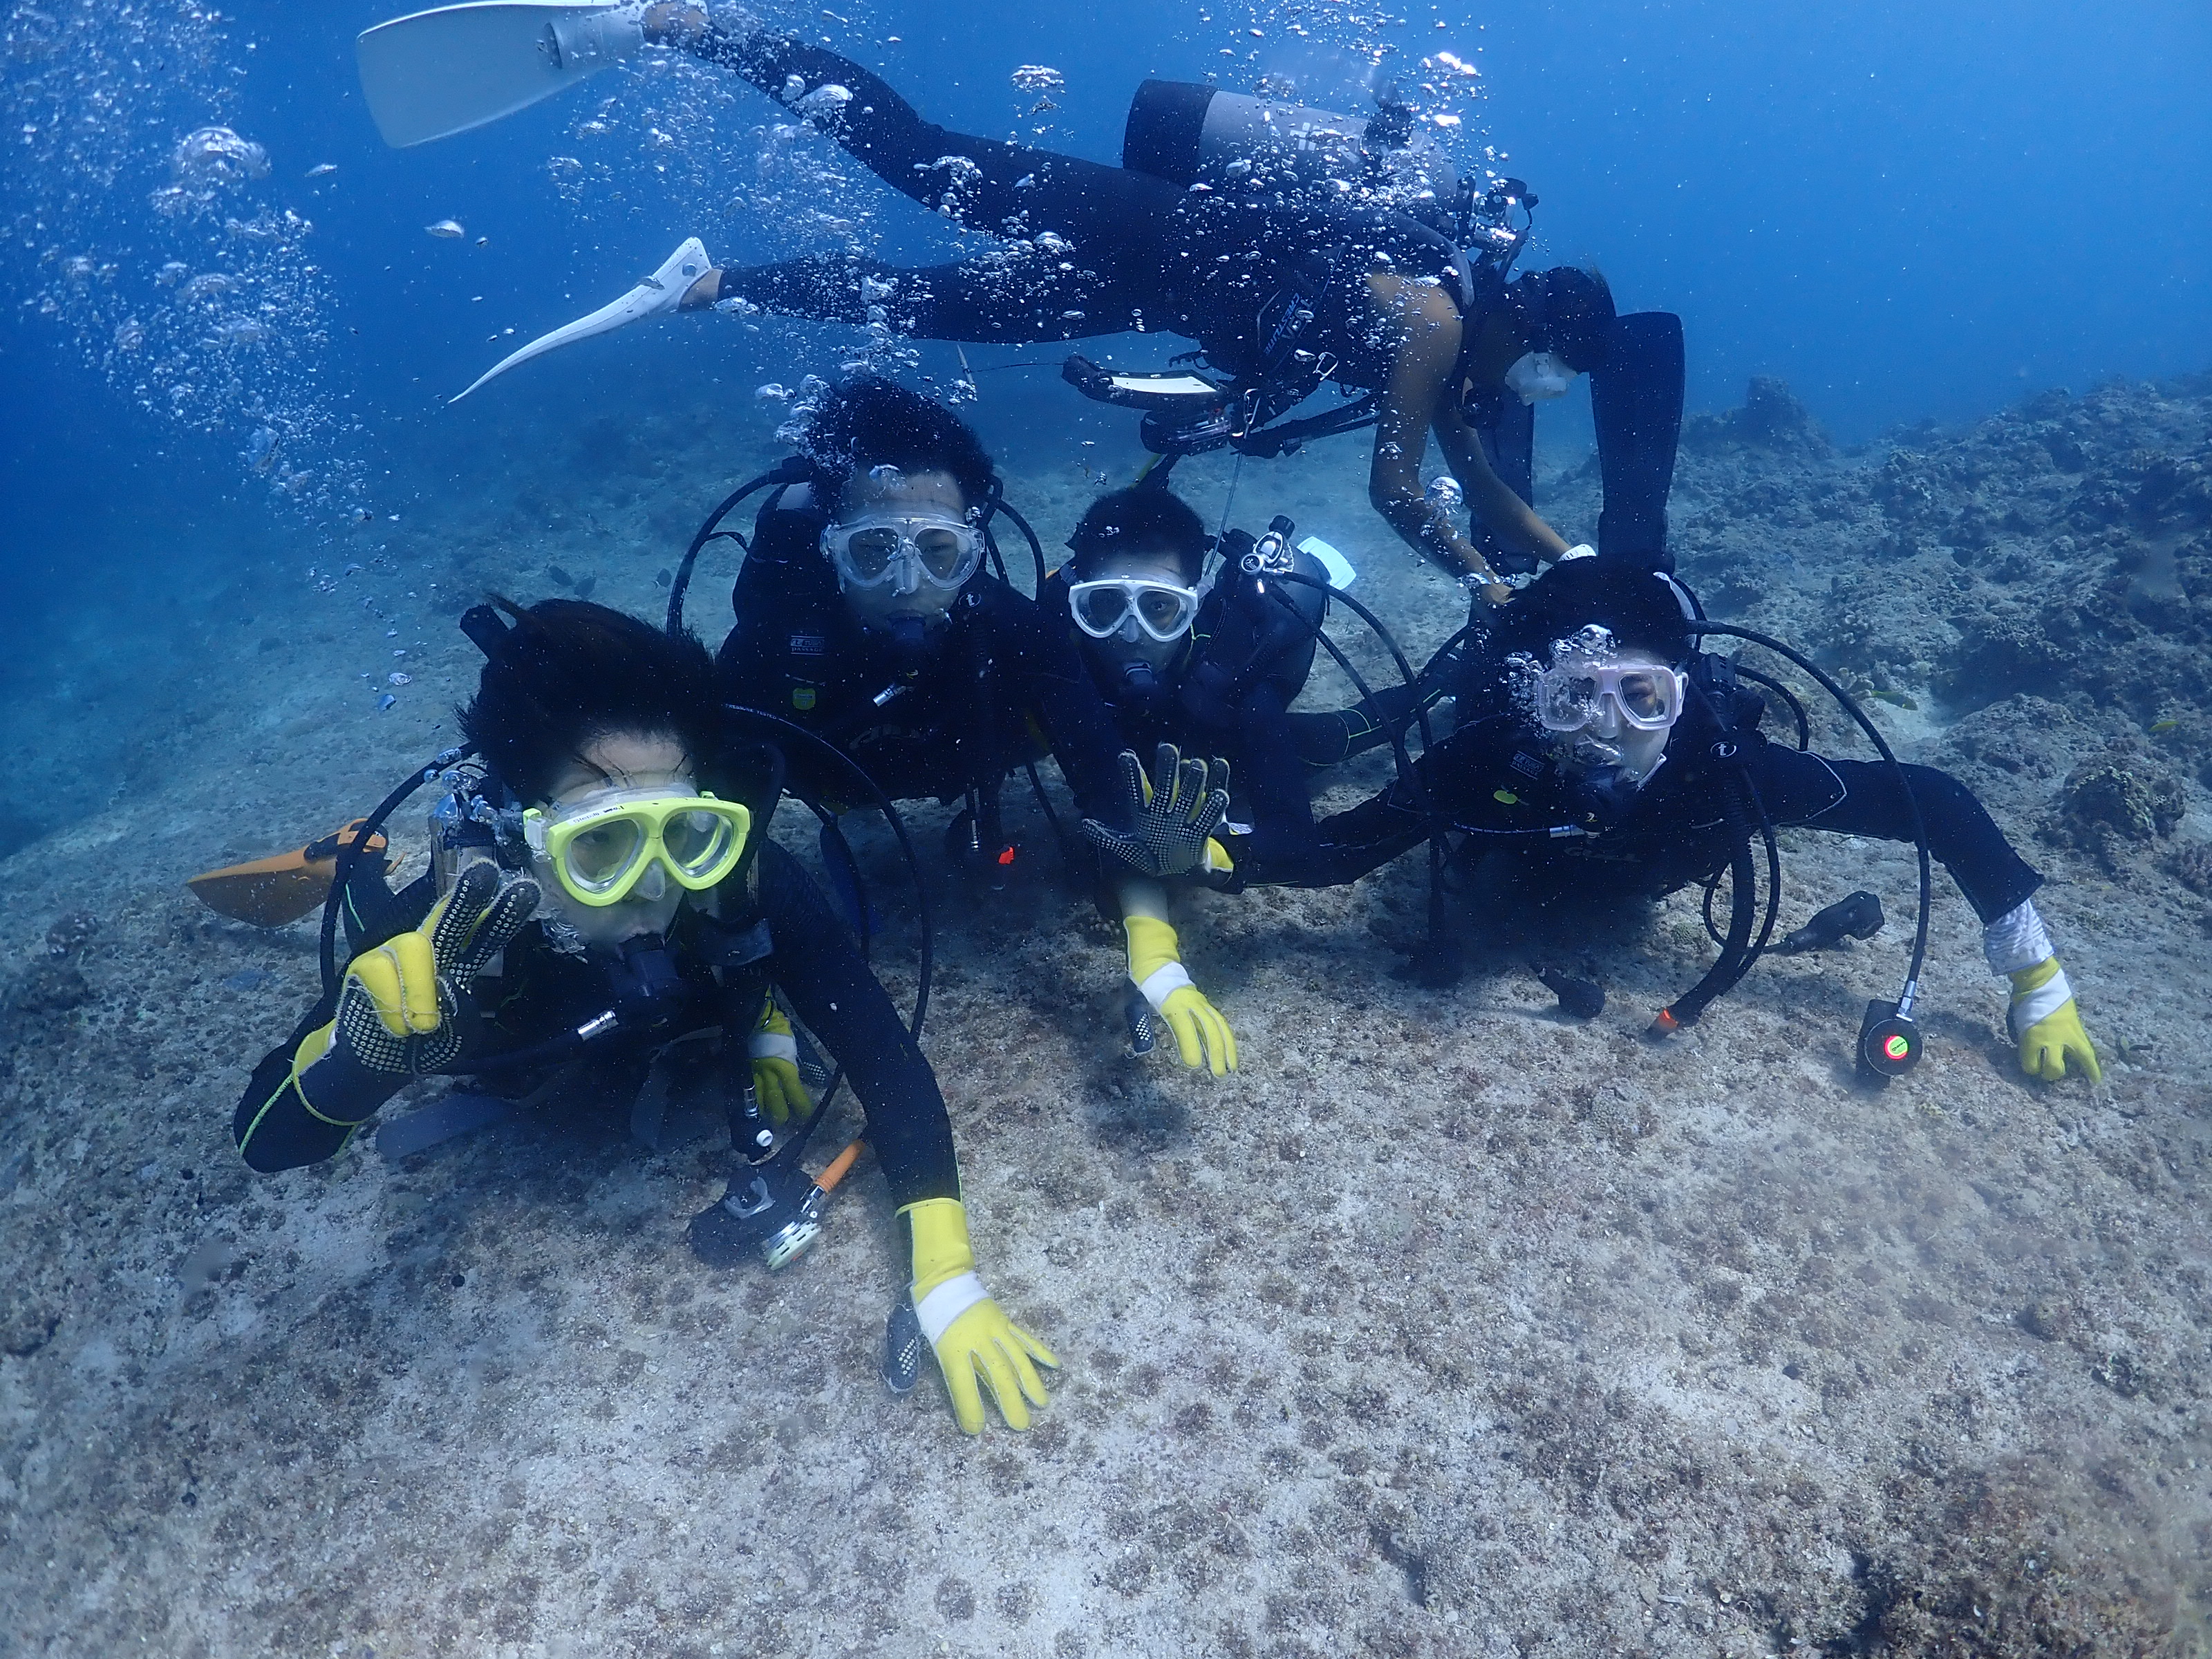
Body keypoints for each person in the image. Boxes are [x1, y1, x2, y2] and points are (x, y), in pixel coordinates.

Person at [373, 1, 1682, 587]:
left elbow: (1479, 484)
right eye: (1554, 373)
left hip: (1137, 282)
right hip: (1149, 229)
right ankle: (687, 25)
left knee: (921, 304)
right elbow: (1405, 492)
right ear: (1527, 325)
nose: (1540, 394)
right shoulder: (1440, 323)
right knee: (916, 153)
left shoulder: (1448, 348)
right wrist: (1490, 587)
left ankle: (709, 283)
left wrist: (1574, 566)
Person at [232, 597, 1058, 1434]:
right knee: (415, 983)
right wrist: (352, 1064)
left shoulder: (739, 875)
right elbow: (265, 1145)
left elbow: (886, 1060)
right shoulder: (450, 932)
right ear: (524, 839)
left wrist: (946, 1278)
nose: (656, 884)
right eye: (601, 843)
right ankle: (356, 860)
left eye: (683, 833)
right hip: (521, 1031)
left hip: (664, 1027)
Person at [1093, 554, 2102, 1082]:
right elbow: (1334, 852)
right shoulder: (1485, 759)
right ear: (1534, 700)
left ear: (1682, 698)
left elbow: (1933, 803)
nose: (1606, 730)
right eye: (1572, 698)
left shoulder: (1726, 769)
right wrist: (1207, 853)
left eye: (1641, 699)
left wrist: (2038, 980)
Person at [715, 378, 1240, 1075]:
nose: (907, 584)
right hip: (836, 782)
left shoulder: (1014, 631)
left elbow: (1106, 783)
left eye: (938, 551)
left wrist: (1157, 954)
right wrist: (754, 994)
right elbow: (717, 830)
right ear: (829, 548)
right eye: (873, 551)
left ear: (973, 545)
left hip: (961, 764)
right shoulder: (770, 643)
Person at [1044, 483, 1447, 865]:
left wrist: (1209, 858)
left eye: (1159, 607)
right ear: (1077, 597)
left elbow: (1292, 836)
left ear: (1195, 602)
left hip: (1222, 740)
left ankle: (1447, 677)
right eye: (1106, 604)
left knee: (1329, 740)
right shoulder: (1053, 647)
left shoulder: (1230, 665)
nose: (1132, 635)